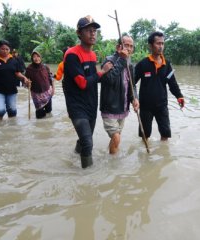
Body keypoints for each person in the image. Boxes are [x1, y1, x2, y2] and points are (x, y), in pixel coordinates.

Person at [63, 15, 113, 168]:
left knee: (86, 138)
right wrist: (102, 72)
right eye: (89, 30)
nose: (93, 34)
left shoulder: (92, 55)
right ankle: (86, 177)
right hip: (77, 105)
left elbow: (94, 79)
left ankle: (74, 154)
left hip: (91, 104)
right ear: (79, 33)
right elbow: (83, 83)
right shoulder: (72, 54)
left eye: (95, 31)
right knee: (88, 143)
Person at [135, 31, 185, 141]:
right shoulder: (143, 64)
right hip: (145, 106)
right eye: (158, 43)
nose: (161, 46)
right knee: (145, 135)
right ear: (150, 45)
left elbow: (172, 83)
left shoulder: (167, 64)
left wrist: (179, 96)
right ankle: (144, 156)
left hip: (162, 105)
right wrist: (133, 99)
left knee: (165, 133)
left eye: (162, 43)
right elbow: (131, 83)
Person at [100, 35, 139, 154]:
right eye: (126, 45)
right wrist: (121, 60)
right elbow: (109, 79)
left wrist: (135, 98)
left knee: (116, 138)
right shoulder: (109, 60)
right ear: (118, 47)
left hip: (123, 108)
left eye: (131, 46)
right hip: (110, 108)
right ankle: (113, 166)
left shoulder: (130, 64)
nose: (129, 48)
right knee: (116, 138)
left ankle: (110, 156)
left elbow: (132, 85)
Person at [0, 40, 30, 121]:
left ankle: (10, 129)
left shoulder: (13, 60)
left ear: (10, 49)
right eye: (2, 49)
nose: (5, 51)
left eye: (7, 49)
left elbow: (17, 73)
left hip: (11, 90)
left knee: (12, 111)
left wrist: (24, 78)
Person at [25, 50, 55, 119]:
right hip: (36, 95)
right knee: (40, 115)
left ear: (40, 58)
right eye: (34, 57)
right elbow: (25, 81)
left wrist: (53, 89)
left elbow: (51, 78)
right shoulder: (29, 69)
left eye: (38, 56)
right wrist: (27, 82)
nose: (36, 58)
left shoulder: (45, 67)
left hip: (47, 93)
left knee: (49, 112)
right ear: (32, 58)